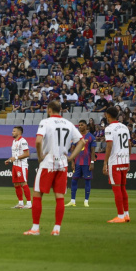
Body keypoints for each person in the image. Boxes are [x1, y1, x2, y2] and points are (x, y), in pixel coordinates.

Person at [24, 100, 85, 236]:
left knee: (38, 194)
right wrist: (71, 157)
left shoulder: (46, 122)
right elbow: (81, 141)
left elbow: (38, 141)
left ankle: (35, 228)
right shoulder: (68, 124)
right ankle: (56, 229)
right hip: (62, 164)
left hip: (48, 163)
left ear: (49, 110)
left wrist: (40, 156)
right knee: (59, 196)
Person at [103, 106, 131, 223]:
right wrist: (128, 160)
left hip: (115, 161)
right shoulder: (124, 127)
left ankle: (120, 216)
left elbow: (109, 146)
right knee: (123, 188)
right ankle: (126, 214)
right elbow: (129, 145)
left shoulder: (109, 128)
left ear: (108, 115)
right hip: (124, 161)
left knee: (116, 189)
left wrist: (105, 162)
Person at [67, 121, 96, 208]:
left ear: (86, 126)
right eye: (79, 125)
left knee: (87, 181)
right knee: (74, 180)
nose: (80, 126)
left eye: (82, 125)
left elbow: (93, 151)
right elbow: (72, 149)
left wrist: (92, 162)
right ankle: (72, 201)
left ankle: (86, 201)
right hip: (77, 162)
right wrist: (72, 162)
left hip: (87, 163)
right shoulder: (76, 137)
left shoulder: (91, 137)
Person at [4, 125, 31, 209]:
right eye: (13, 131)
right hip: (15, 165)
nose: (12, 132)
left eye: (14, 131)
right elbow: (15, 154)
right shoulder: (14, 141)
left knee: (23, 183)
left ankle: (29, 203)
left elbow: (27, 154)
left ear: (19, 132)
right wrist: (9, 160)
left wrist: (15, 158)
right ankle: (20, 203)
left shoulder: (23, 141)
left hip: (21, 165)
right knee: (16, 184)